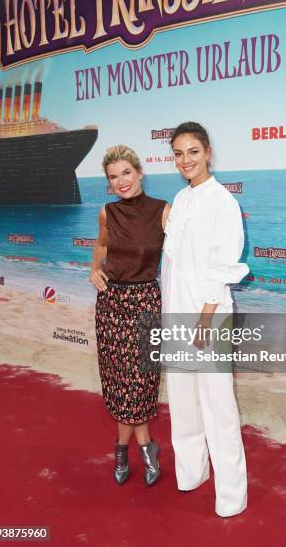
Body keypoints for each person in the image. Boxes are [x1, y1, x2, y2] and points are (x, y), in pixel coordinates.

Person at [161, 121, 249, 517]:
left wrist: (204, 318)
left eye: (193, 152)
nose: (186, 160)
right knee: (182, 401)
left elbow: (223, 266)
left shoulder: (223, 203)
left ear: (208, 152)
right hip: (176, 313)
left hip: (208, 318)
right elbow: (175, 263)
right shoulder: (180, 200)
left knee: (218, 406)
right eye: (178, 153)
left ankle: (231, 495)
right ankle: (191, 474)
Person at [90, 145, 170, 486]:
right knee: (119, 383)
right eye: (113, 176)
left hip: (145, 303)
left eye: (126, 173)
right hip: (111, 304)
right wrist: (94, 270)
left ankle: (125, 449)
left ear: (140, 173)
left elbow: (184, 254)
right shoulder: (107, 212)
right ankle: (143, 449)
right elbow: (102, 246)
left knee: (140, 384)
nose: (121, 181)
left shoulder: (163, 211)